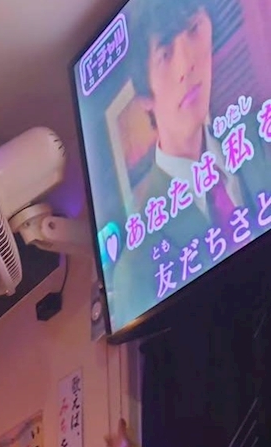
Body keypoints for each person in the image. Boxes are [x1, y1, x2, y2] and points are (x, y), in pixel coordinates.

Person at [110, 0, 270, 327]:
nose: (187, 65)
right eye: (165, 53)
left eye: (194, 29)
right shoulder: (135, 268)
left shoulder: (261, 134)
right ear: (145, 97)